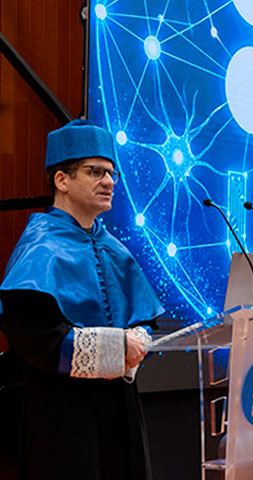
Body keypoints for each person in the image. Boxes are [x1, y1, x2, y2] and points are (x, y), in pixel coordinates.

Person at [0, 119, 164, 480]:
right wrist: (117, 348)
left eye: (111, 173)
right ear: (62, 180)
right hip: (64, 414)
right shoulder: (40, 246)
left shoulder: (113, 248)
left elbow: (145, 320)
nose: (109, 182)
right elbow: (35, 336)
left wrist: (138, 342)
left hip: (120, 406)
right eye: (95, 172)